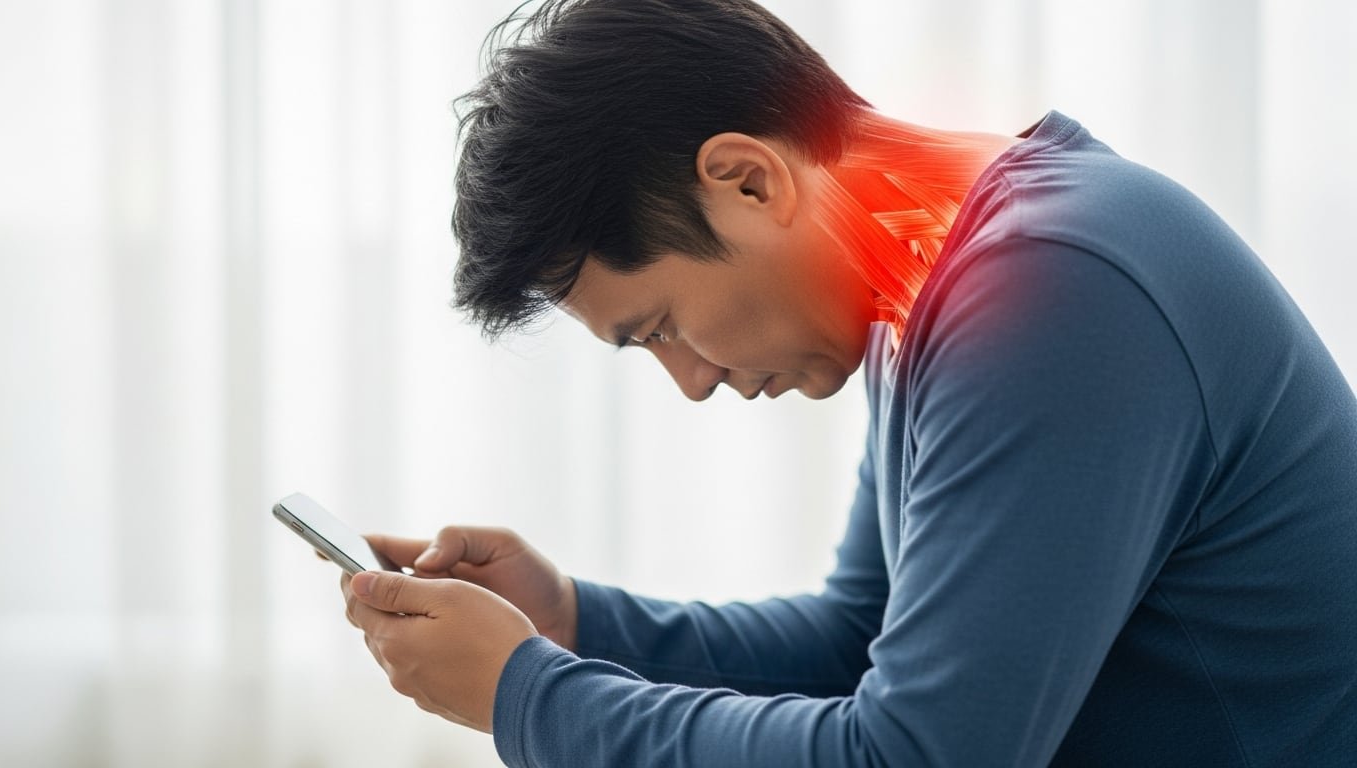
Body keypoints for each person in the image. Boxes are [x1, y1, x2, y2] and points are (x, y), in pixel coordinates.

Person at [338, 0, 1357, 765]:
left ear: (749, 179)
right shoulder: (936, 282)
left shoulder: (1050, 285)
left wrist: (528, 695)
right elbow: (858, 638)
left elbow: (914, 755)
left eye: (657, 329)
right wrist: (574, 623)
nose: (690, 384)